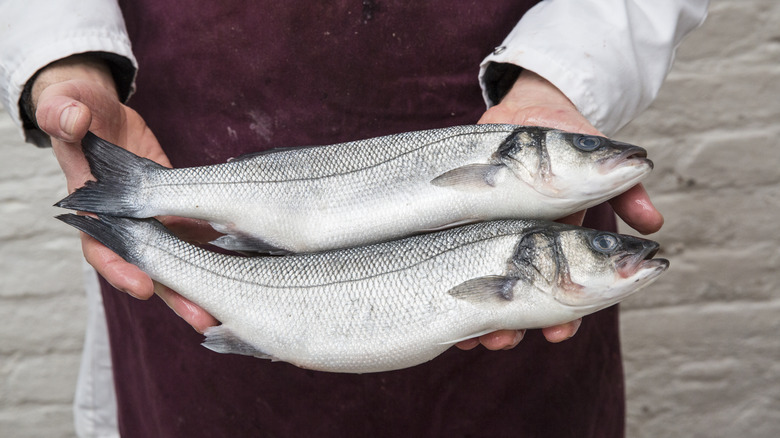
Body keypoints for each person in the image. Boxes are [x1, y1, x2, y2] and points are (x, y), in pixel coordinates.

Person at [0, 1, 708, 436]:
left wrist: (564, 78)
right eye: (584, 151)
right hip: (185, 115)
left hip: (512, 373)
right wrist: (68, 60)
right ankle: (145, 205)